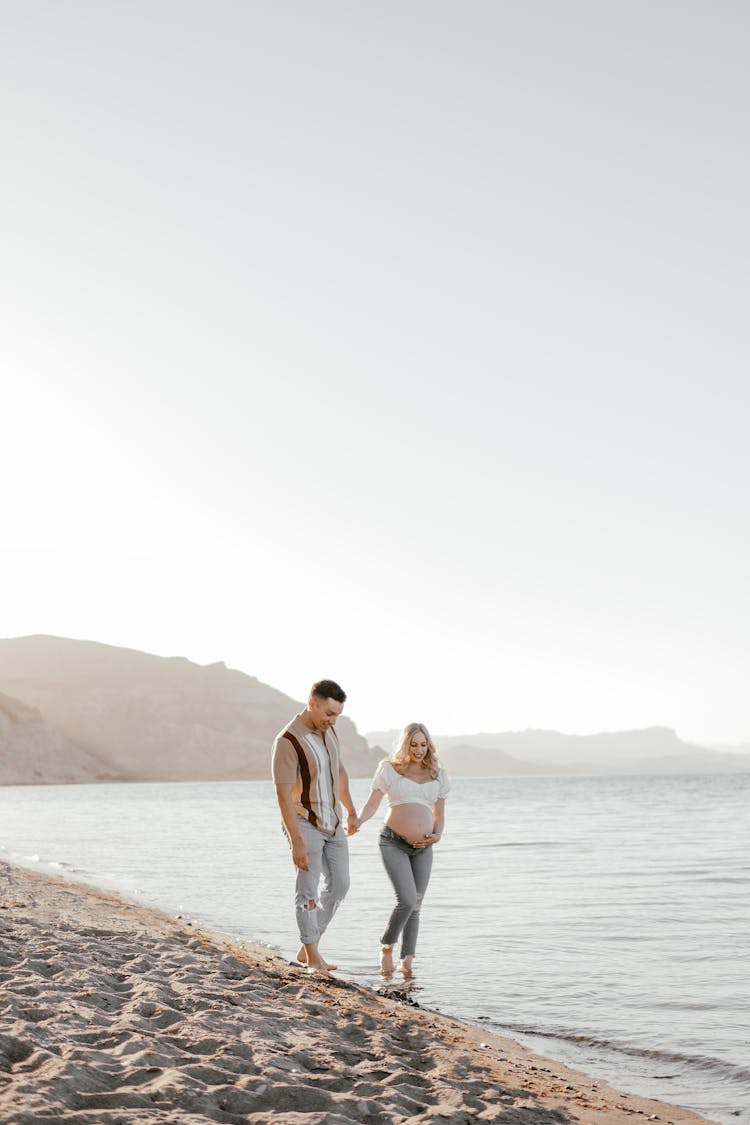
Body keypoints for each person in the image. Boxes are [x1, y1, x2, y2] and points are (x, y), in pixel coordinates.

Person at [271, 679, 359, 975]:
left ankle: (309, 944)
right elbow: (282, 796)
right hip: (304, 823)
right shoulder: (288, 740)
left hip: (333, 824)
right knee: (307, 890)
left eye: (337, 715)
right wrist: (296, 841)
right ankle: (312, 957)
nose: (333, 721)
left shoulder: (329, 731)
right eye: (329, 714)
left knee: (340, 885)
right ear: (312, 703)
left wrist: (350, 810)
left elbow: (339, 771)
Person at [357, 722, 449, 978]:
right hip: (393, 841)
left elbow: (439, 814)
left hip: (424, 848)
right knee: (407, 900)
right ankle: (387, 946)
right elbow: (373, 803)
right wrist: (357, 822)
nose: (419, 750)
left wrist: (437, 836)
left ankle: (407, 962)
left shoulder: (437, 774)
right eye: (413, 744)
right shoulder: (390, 769)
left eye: (423, 744)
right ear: (405, 744)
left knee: (416, 904)